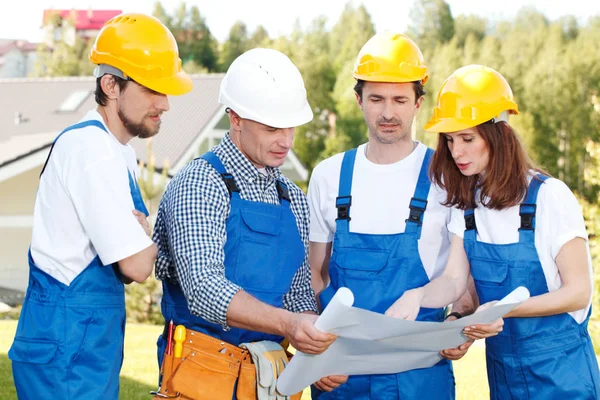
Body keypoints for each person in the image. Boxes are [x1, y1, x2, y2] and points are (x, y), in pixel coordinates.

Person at [7, 12, 193, 400]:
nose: (165, 104)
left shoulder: (117, 152)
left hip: (82, 343)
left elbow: (130, 263)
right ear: (110, 84)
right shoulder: (90, 150)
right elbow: (138, 266)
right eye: (152, 89)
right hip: (65, 349)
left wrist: (141, 239)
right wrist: (141, 237)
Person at [387, 64, 600, 399]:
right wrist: (452, 317)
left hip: (563, 376)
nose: (456, 151)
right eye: (450, 139)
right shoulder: (466, 205)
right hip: (503, 377)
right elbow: (455, 282)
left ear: (498, 134)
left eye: (468, 138)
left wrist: (504, 309)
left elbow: (578, 293)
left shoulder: (550, 197)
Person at [307, 32, 494, 400]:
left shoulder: (448, 177)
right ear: (358, 99)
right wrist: (317, 346)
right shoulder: (328, 176)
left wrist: (457, 323)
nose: (388, 112)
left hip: (421, 377)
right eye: (376, 98)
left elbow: (462, 277)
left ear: (418, 103)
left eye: (399, 99)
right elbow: (315, 273)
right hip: (342, 377)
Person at [152, 48, 337, 400]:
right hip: (200, 376)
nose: (286, 140)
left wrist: (315, 343)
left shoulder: (293, 199)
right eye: (272, 128)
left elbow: (298, 293)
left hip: (269, 379)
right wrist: (288, 324)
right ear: (236, 119)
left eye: (290, 126)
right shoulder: (200, 183)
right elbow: (204, 290)